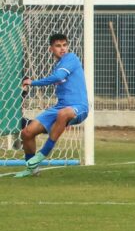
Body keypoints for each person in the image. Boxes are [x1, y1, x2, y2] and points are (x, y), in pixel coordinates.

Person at [14, 33, 89, 178]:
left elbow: (58, 77)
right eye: (58, 46)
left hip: (79, 107)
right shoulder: (58, 65)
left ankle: (44, 153)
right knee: (27, 133)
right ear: (51, 49)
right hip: (60, 107)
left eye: (64, 45)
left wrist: (32, 82)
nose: (62, 49)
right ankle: (31, 168)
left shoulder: (71, 58)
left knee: (64, 114)